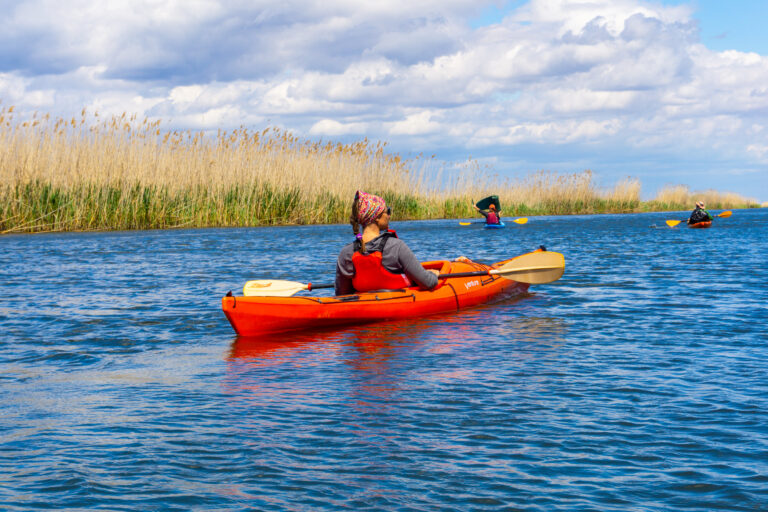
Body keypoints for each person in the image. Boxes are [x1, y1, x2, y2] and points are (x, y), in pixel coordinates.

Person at [335, 191, 440, 295]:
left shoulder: (346, 252)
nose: (389, 216)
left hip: (364, 308)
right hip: (397, 306)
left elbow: (342, 294)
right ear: (376, 217)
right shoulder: (396, 246)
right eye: (387, 211)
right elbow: (428, 282)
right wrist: (433, 274)